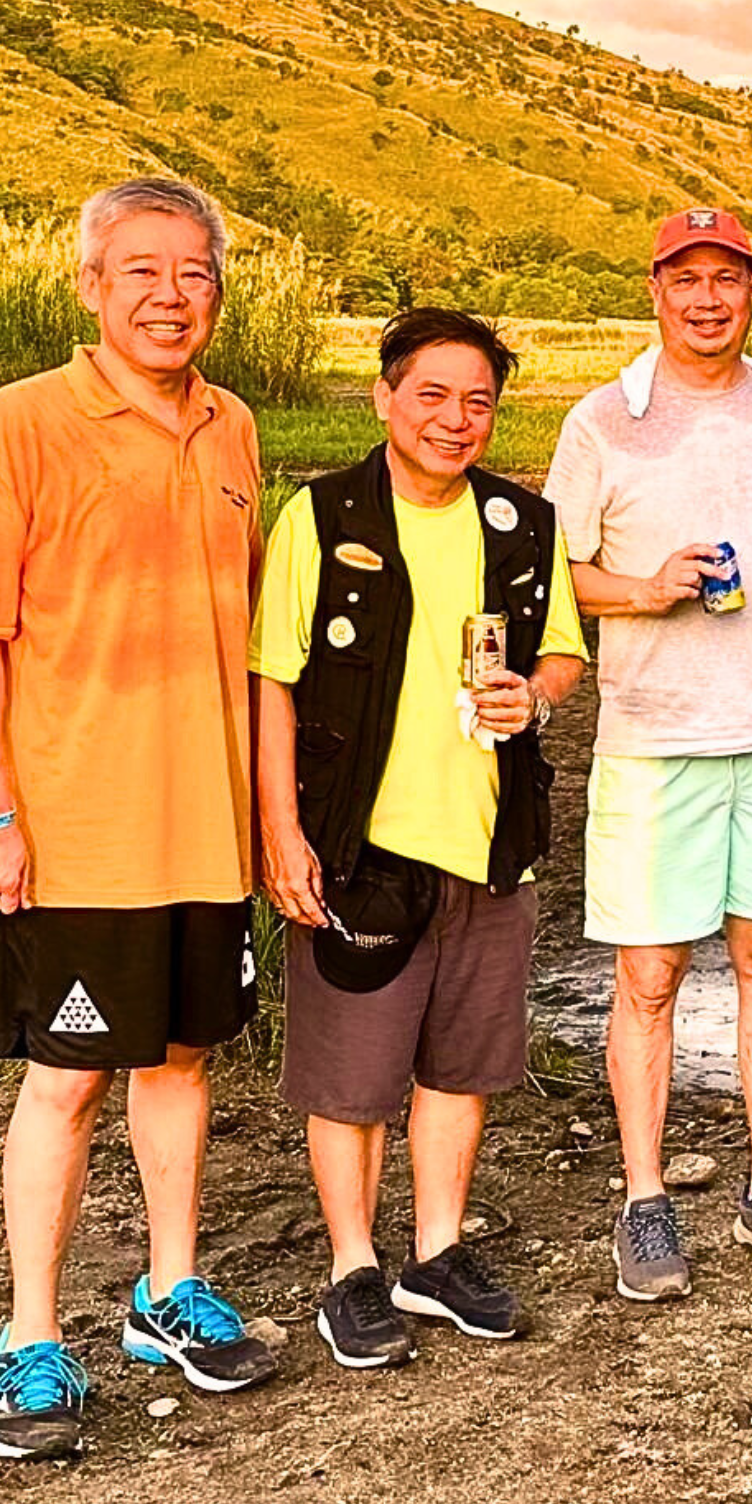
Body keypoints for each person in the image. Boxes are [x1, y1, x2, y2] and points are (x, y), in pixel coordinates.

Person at [0, 177, 277, 1461]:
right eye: (138, 271)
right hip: (77, 826)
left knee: (181, 1063)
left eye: (191, 273)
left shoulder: (234, 426)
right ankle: (29, 1337)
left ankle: (165, 1295)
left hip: (205, 829)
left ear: (217, 292)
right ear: (89, 284)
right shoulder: (21, 423)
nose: (166, 297)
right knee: (66, 1078)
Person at [251, 308, 586, 1368]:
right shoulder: (319, 518)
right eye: (432, 394)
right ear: (385, 397)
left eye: (477, 400)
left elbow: (564, 657)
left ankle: (434, 1253)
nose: (455, 418)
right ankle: (351, 1267)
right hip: (358, 849)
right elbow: (273, 683)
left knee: (460, 1063)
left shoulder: (524, 526)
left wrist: (529, 698)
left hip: (488, 846)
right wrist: (281, 833)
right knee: (350, 1075)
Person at [544, 208, 752, 1301]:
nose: (707, 298)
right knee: (648, 974)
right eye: (687, 279)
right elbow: (551, 571)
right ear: (654, 291)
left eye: (727, 278)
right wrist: (645, 588)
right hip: (652, 739)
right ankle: (645, 1201)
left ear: (750, 292)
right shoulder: (600, 422)